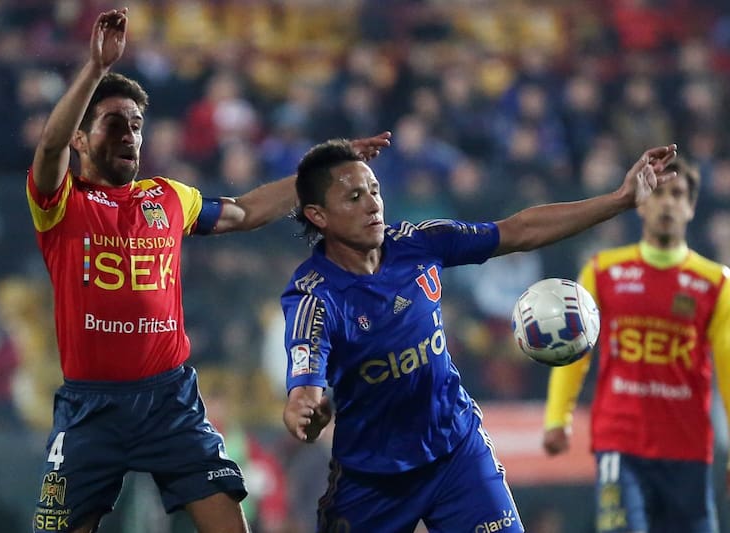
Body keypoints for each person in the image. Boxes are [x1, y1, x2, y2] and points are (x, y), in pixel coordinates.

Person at [26, 8, 391, 533]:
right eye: (113, 123)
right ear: (82, 140)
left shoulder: (168, 197)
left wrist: (320, 173)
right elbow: (49, 146)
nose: (130, 134)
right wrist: (94, 69)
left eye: (136, 125)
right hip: (91, 408)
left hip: (169, 400)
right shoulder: (60, 203)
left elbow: (244, 211)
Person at [280, 137, 677, 532]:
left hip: (457, 452)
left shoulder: (418, 242)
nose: (372, 204)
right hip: (373, 479)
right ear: (318, 215)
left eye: (375, 190)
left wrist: (619, 200)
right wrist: (304, 408)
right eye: (353, 198)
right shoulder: (314, 296)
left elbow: (518, 230)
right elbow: (305, 380)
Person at [542, 158, 730, 533]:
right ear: (642, 202)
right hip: (620, 441)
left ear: (691, 208)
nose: (668, 203)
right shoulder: (602, 271)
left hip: (688, 448)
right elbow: (574, 352)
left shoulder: (716, 283)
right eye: (658, 193)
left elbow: (728, 367)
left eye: (678, 195)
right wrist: (556, 418)